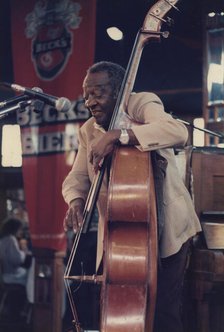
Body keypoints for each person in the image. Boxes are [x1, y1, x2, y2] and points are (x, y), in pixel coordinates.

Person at [62, 61, 202, 332]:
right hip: (120, 235)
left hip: (170, 230)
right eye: (86, 94)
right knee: (122, 307)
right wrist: (75, 201)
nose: (90, 101)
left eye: (98, 93)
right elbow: (76, 178)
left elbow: (176, 132)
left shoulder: (140, 103)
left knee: (163, 312)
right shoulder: (88, 131)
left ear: (119, 91)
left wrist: (120, 135)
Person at [0, 217, 32, 321]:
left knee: (28, 273)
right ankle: (27, 309)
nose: (21, 231)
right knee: (31, 278)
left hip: (5, 274)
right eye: (20, 229)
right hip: (11, 275)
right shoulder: (11, 239)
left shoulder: (3, 239)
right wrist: (24, 251)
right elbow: (17, 260)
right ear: (15, 229)